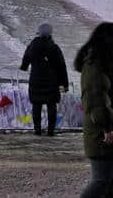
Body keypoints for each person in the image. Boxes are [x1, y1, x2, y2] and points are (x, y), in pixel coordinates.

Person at [75, 23, 113, 198]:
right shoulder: (94, 66)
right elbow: (95, 101)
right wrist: (107, 128)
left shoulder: (103, 64)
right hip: (101, 133)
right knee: (101, 180)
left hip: (106, 129)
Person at [20, 24, 69, 136]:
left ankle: (37, 131)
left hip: (35, 81)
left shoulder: (32, 46)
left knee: (36, 106)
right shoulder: (54, 47)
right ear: (50, 34)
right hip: (51, 82)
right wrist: (64, 84)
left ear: (39, 32)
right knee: (51, 106)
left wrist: (24, 66)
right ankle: (50, 131)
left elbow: (25, 60)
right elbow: (62, 67)